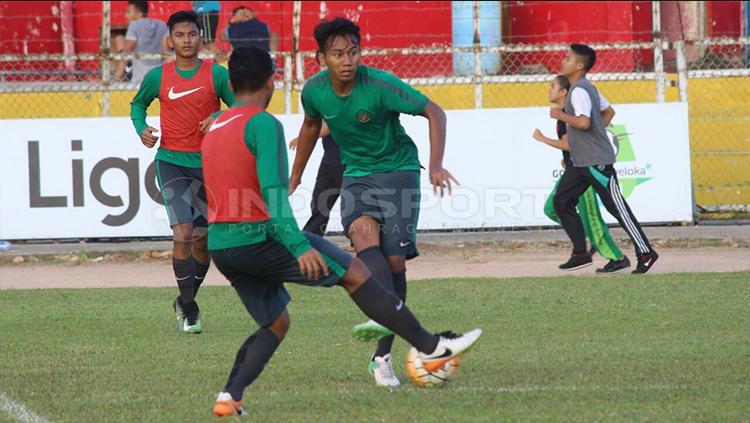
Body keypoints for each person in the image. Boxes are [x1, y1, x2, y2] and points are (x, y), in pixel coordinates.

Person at [201, 47, 482, 417]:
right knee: (356, 273)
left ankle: (230, 396)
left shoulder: (215, 125)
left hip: (223, 246)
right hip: (260, 237)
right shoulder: (263, 124)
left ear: (231, 82)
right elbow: (274, 197)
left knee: (276, 323)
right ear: (272, 81)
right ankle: (432, 348)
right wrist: (298, 246)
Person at [289, 18, 458, 387]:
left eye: (353, 52)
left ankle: (381, 353)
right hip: (357, 175)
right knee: (364, 240)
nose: (347, 60)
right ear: (321, 59)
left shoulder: (381, 84)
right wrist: (296, 175)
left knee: (394, 261)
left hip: (398, 172)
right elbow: (310, 127)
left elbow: (435, 111)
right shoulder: (315, 91)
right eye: (337, 54)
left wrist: (436, 165)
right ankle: (384, 345)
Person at [130, 10, 234, 333]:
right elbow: (137, 105)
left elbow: (244, 109)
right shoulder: (158, 77)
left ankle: (185, 299)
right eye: (180, 35)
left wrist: (219, 118)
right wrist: (141, 128)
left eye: (192, 34)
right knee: (183, 234)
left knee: (203, 243)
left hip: (209, 164)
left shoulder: (217, 75)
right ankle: (190, 311)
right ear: (170, 40)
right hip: (172, 161)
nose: (187, 40)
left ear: (200, 38)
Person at [551, 44, 659, 274]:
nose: (564, 60)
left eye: (568, 58)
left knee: (617, 208)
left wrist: (561, 115)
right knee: (561, 202)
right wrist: (593, 133)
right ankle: (581, 253)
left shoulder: (579, 91)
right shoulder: (587, 88)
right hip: (580, 162)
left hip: (595, 161)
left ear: (579, 66)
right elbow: (608, 113)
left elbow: (584, 122)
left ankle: (646, 252)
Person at [533, 75, 629, 273]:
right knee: (552, 208)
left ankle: (617, 257)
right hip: (572, 168)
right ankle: (585, 239)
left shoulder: (567, 114)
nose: (549, 90)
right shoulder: (565, 114)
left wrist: (542, 139)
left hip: (583, 170)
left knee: (592, 218)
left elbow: (569, 143)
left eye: (553, 87)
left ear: (563, 92)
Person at [289, 122, 345, 237]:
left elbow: (332, 125)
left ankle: (360, 240)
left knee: (351, 205)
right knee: (320, 202)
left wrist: (304, 138)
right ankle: (312, 237)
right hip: (329, 161)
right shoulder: (325, 105)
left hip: (350, 161)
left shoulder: (343, 105)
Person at [114, 1, 169, 84]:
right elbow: (166, 53)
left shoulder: (134, 25)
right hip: (159, 75)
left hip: (140, 77)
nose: (126, 16)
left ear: (139, 14)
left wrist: (116, 78)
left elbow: (127, 52)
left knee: (119, 39)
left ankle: (122, 76)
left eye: (128, 12)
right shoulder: (162, 24)